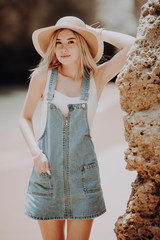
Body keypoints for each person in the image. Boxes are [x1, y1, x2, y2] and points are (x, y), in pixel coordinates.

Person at [19, 16, 135, 240]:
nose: (63, 48)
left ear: (82, 43)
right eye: (58, 42)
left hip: (83, 179)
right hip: (47, 177)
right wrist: (35, 153)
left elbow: (133, 44)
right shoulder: (42, 77)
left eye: (71, 41)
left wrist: (95, 33)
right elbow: (24, 117)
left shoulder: (97, 78)